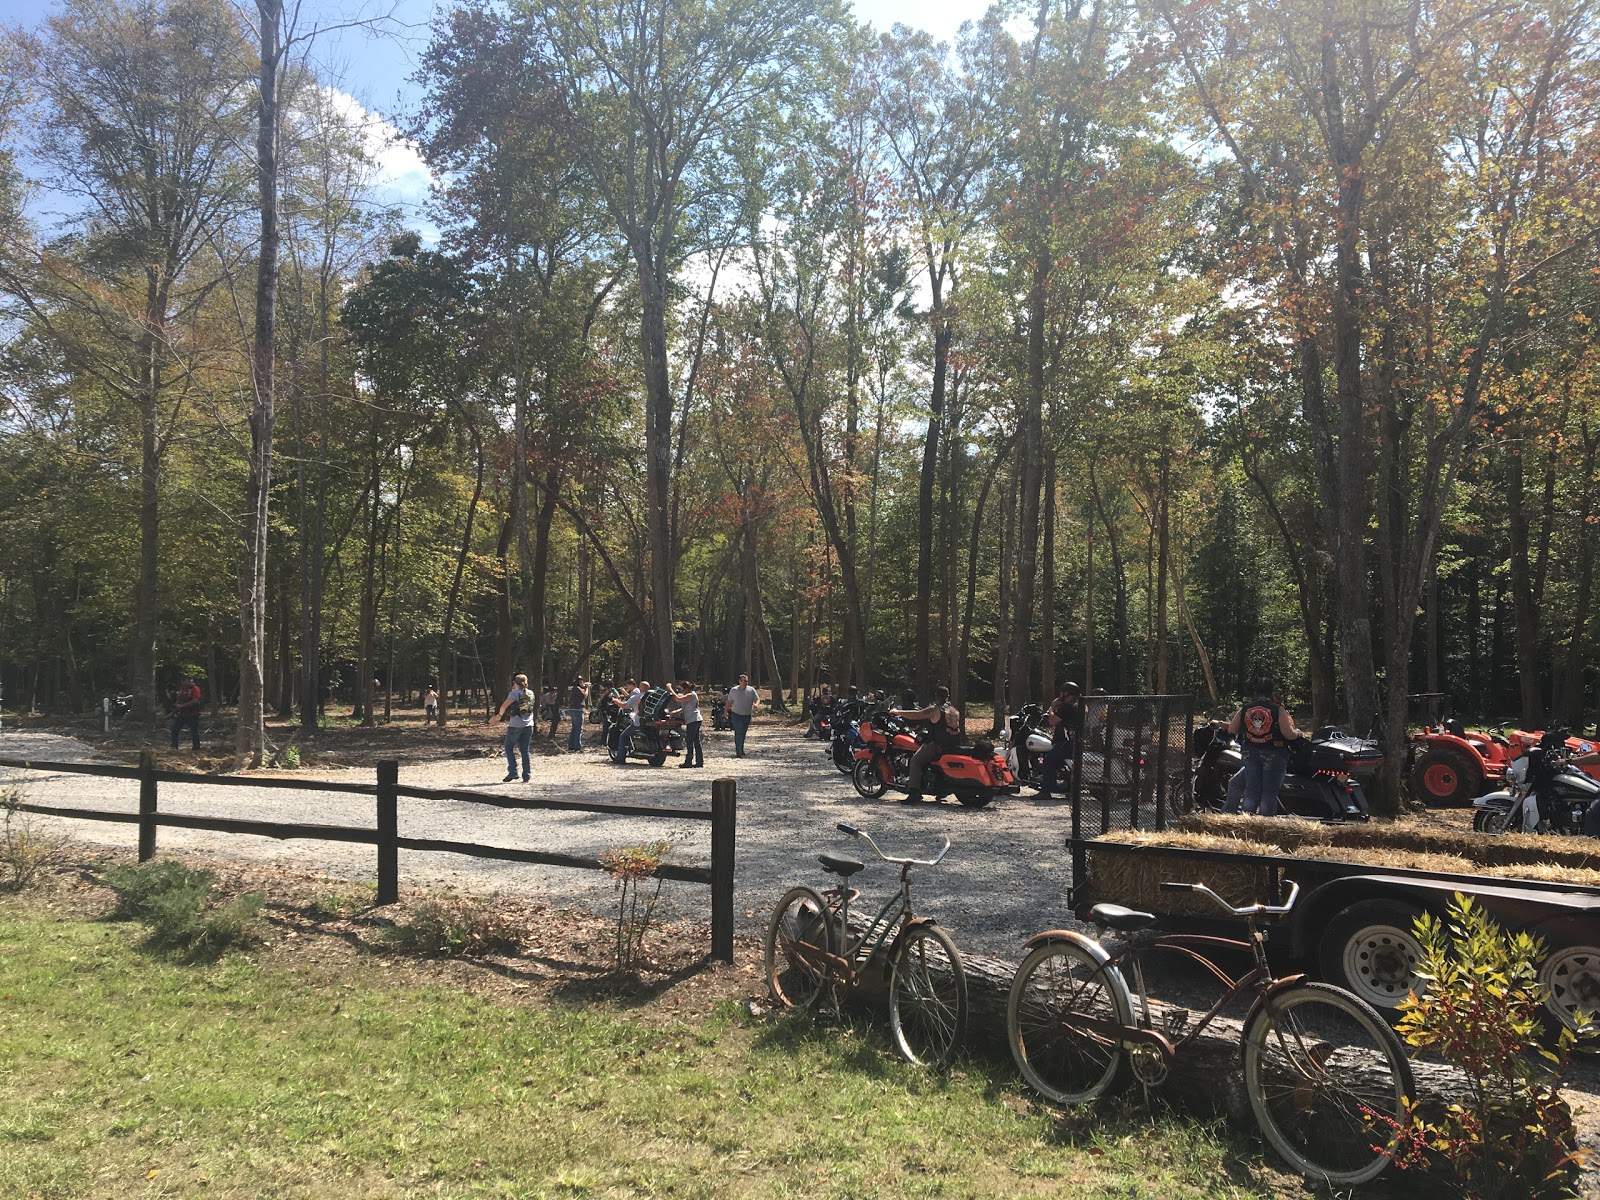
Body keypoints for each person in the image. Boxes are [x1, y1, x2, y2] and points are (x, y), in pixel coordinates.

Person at [1215, 678, 1302, 817]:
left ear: (1256, 692)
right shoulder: (1278, 709)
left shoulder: (1246, 708)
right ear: (1271, 692)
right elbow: (1288, 734)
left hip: (1250, 753)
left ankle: (1247, 822)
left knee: (1251, 790)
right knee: (1269, 793)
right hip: (1274, 753)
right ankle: (1264, 827)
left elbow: (1232, 729)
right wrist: (1297, 733)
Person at [891, 685, 962, 804]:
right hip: (953, 745)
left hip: (938, 745)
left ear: (936, 696)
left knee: (915, 761)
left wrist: (897, 712)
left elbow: (917, 715)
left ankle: (914, 793)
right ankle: (940, 790)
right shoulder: (953, 710)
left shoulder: (935, 709)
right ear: (947, 696)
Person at [1034, 681, 1083, 798]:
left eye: (1062, 692)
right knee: (1058, 761)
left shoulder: (1067, 707)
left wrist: (1052, 707)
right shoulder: (1078, 705)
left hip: (1065, 741)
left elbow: (1052, 721)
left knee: (1049, 759)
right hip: (1074, 740)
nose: (1060, 694)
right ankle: (1065, 786)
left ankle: (1045, 791)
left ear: (1067, 693)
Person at [491, 673, 536, 783]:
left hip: (515, 725)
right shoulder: (531, 693)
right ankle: (527, 775)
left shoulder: (514, 693)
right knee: (525, 751)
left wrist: (499, 716)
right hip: (529, 725)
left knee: (509, 748)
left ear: (516, 683)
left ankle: (513, 772)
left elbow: (504, 706)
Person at [670, 679, 704, 768]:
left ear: (686, 689)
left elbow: (678, 699)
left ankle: (688, 762)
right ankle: (699, 762)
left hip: (693, 720)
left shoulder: (691, 695)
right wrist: (674, 712)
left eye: (682, 689)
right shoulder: (688, 696)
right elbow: (684, 708)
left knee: (689, 741)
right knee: (696, 740)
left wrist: (670, 688)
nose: (681, 691)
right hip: (694, 720)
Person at [726, 674, 760, 757]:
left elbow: (757, 699)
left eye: (746, 681)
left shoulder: (751, 690)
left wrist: (756, 704)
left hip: (746, 715)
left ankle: (741, 749)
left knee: (743, 733)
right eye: (743, 681)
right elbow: (729, 701)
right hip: (736, 714)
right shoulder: (734, 690)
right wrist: (725, 711)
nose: (745, 682)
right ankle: (738, 751)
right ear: (739, 681)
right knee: (738, 732)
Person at [170, 676, 203, 751]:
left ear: (189, 680)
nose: (182, 682)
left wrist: (182, 706)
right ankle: (174, 746)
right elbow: (178, 699)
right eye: (182, 680)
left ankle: (196, 748)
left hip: (193, 714)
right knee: (174, 729)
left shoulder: (195, 689)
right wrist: (177, 705)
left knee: (194, 731)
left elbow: (195, 701)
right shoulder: (182, 690)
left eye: (184, 680)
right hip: (182, 714)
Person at [564, 676, 589, 751]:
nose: (582, 683)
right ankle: (578, 745)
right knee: (578, 728)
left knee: (574, 728)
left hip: (573, 709)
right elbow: (585, 695)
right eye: (580, 682)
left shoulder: (575, 689)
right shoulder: (577, 688)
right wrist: (587, 688)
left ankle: (572, 745)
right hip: (577, 710)